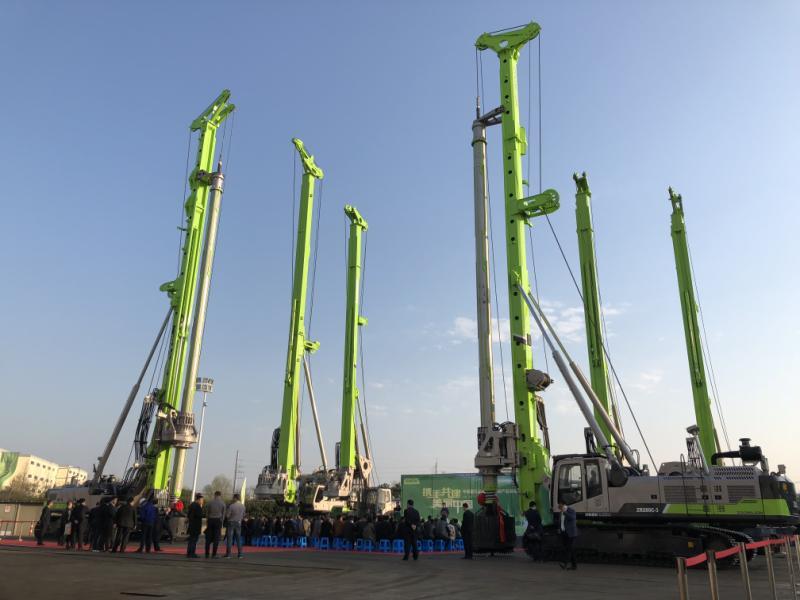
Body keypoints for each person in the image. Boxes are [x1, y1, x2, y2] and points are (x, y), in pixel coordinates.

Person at [558, 501, 578, 570]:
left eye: (560, 505)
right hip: (564, 533)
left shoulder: (571, 510)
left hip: (571, 533)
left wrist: (564, 512)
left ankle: (565, 563)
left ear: (564, 505)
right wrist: (559, 528)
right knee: (570, 549)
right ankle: (574, 565)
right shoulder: (561, 512)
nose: (559, 507)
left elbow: (572, 518)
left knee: (569, 549)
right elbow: (561, 522)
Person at [205, 491, 225, 558]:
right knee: (216, 538)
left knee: (208, 538)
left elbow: (207, 512)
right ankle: (214, 554)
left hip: (210, 520)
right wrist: (221, 522)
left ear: (215, 495)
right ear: (220, 495)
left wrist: (207, 520)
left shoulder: (210, 502)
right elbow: (223, 515)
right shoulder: (222, 503)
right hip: (218, 521)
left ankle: (207, 554)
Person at [224, 493, 245, 558]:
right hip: (238, 523)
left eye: (233, 498)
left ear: (235, 498)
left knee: (229, 539)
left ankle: (228, 554)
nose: (232, 499)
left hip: (231, 523)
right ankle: (240, 554)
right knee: (238, 539)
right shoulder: (243, 506)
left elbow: (227, 515)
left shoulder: (231, 506)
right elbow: (243, 515)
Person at [186, 493, 204, 558]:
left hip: (191, 525)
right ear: (199, 499)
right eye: (202, 500)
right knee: (194, 540)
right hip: (196, 525)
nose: (202, 501)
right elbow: (200, 515)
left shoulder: (192, 505)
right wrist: (201, 509)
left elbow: (188, 515)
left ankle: (189, 552)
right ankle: (192, 553)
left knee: (191, 540)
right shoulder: (197, 506)